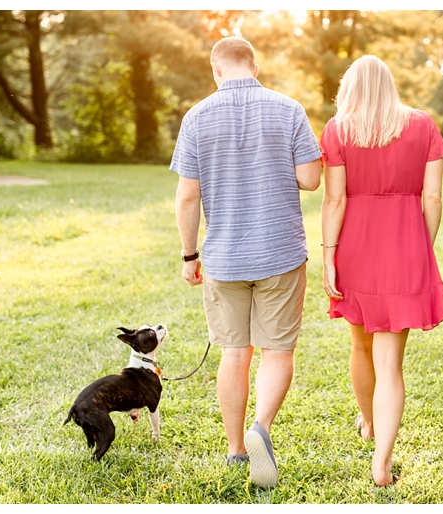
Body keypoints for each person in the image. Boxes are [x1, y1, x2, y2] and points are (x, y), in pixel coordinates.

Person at [171, 36, 322, 488]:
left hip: (224, 256)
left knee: (235, 353)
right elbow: (311, 180)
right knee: (277, 350)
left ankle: (237, 449)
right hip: (280, 252)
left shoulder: (196, 117)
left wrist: (189, 255)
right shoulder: (289, 108)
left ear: (216, 70)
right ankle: (263, 429)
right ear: (254, 66)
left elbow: (187, 195)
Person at [319, 55, 443, 486]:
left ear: (351, 87)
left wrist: (328, 255)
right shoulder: (422, 125)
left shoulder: (338, 129)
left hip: (354, 250)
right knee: (390, 363)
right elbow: (433, 199)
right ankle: (382, 460)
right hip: (404, 249)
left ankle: (370, 422)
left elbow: (335, 201)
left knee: (360, 349)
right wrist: (421, 244)